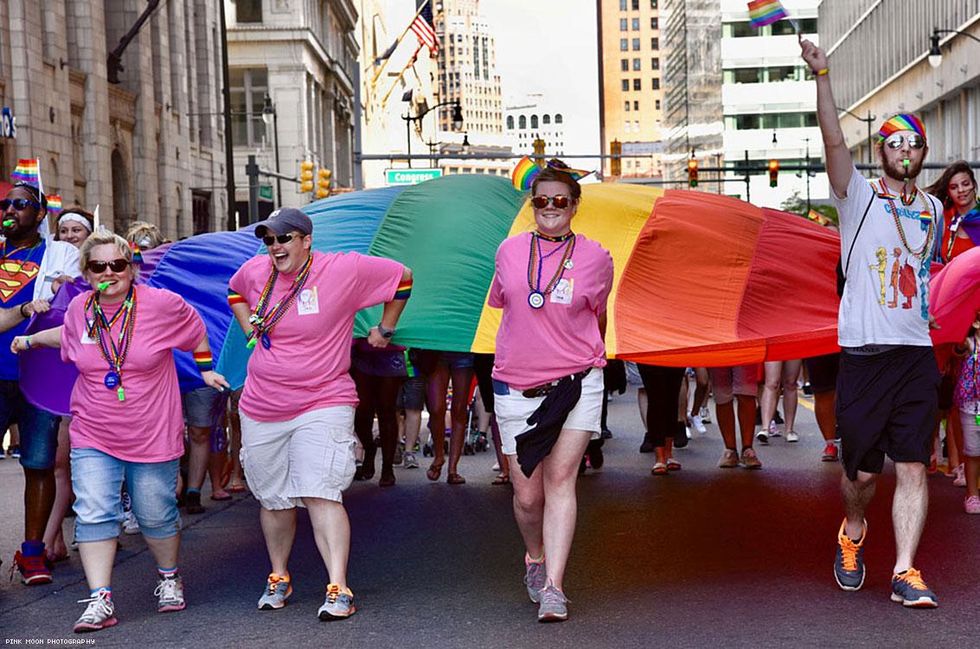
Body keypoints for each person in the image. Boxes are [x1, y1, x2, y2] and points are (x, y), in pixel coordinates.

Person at [11, 230, 228, 632]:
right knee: (94, 513)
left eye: (118, 265)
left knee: (155, 514)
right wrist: (31, 340)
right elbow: (69, 336)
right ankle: (100, 599)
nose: (109, 272)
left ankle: (168, 577)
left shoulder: (161, 304)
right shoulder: (80, 309)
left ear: (131, 268)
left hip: (152, 431)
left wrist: (205, 369)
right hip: (94, 430)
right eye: (98, 266)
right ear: (87, 273)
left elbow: (195, 330)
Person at [803, 38, 943, 608]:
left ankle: (906, 570)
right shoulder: (856, 196)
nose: (903, 150)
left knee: (913, 465)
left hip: (914, 353)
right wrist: (824, 76)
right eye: (894, 143)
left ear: (923, 152)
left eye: (912, 144)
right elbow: (834, 138)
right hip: (862, 353)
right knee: (861, 475)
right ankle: (853, 531)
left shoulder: (932, 209)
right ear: (881, 151)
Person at [227, 207, 411, 620]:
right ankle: (279, 575)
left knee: (320, 491)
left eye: (283, 238)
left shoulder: (341, 269)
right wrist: (248, 328)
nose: (275, 247)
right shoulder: (256, 272)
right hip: (263, 403)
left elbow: (403, 277)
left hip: (323, 399)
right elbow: (235, 291)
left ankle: (338, 586)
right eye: (269, 240)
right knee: (273, 499)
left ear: (306, 240)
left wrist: (385, 328)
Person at [489, 159, 613, 622]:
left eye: (560, 200)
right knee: (527, 496)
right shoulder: (508, 252)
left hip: (578, 381)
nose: (550, 207)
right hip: (516, 383)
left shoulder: (598, 257)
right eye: (541, 200)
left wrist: (581, 352)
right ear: (532, 203)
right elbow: (505, 304)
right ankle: (535, 558)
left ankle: (556, 587)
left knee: (562, 480)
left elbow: (597, 316)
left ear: (575, 205)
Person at [2, 182, 80, 585]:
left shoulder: (59, 252)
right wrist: (23, 308)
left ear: (40, 212)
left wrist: (61, 286)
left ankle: (33, 553)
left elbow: (74, 292)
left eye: (20, 204)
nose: (10, 210)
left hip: (40, 376)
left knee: (39, 463)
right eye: (6, 205)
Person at [44, 206, 95, 563]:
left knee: (87, 462)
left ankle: (97, 527)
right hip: (54, 378)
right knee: (58, 464)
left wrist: (74, 288)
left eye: (77, 230)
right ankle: (52, 539)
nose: (71, 237)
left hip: (92, 382)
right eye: (65, 231)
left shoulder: (100, 276)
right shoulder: (47, 270)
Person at [709, 365, 762, 469]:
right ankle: (730, 449)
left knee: (746, 391)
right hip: (718, 352)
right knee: (721, 393)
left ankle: (747, 448)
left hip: (745, 350)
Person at [637, 364, 686, 475]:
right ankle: (660, 457)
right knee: (656, 399)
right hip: (649, 352)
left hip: (674, 352)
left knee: (672, 398)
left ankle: (668, 453)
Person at [926, 161, 978, 264]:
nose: (961, 190)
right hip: (949, 278)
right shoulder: (942, 216)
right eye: (954, 187)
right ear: (948, 192)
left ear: (974, 185)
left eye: (965, 184)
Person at [953, 314, 980, 513]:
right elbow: (959, 347)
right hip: (972, 406)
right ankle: (972, 494)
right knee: (972, 451)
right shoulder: (971, 343)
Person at [757, 360, 803, 443]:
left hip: (794, 347)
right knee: (772, 383)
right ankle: (765, 428)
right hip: (773, 347)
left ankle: (789, 430)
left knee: (791, 383)